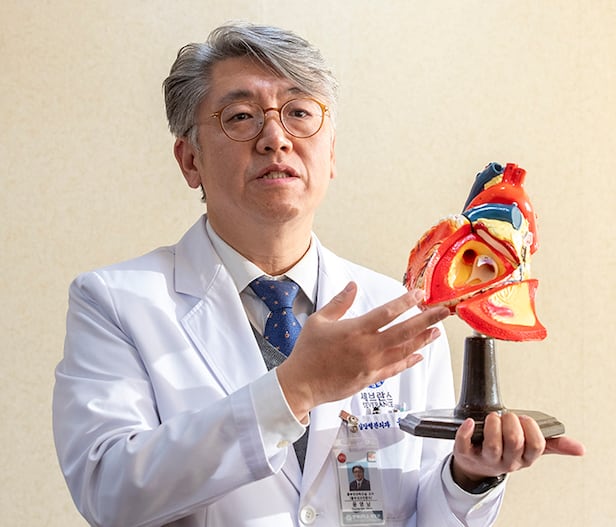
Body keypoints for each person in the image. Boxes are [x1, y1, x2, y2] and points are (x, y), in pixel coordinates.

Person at [52, 22, 584, 527]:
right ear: (190, 159)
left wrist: (470, 477)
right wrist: (296, 388)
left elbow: (426, 507)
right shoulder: (117, 302)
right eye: (241, 117)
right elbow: (109, 492)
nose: (275, 139)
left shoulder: (398, 310)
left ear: (330, 154)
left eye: (299, 113)